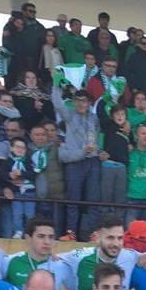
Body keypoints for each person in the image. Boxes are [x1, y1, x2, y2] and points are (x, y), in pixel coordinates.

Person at [51, 85, 100, 241]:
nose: (81, 104)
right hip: (75, 162)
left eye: (84, 101)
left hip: (92, 160)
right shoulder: (70, 115)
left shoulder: (94, 118)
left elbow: (97, 136)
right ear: (73, 102)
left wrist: (99, 151)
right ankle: (71, 232)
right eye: (77, 101)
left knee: (93, 200)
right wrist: (57, 83)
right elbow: (57, 103)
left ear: (89, 103)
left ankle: (92, 233)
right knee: (73, 199)